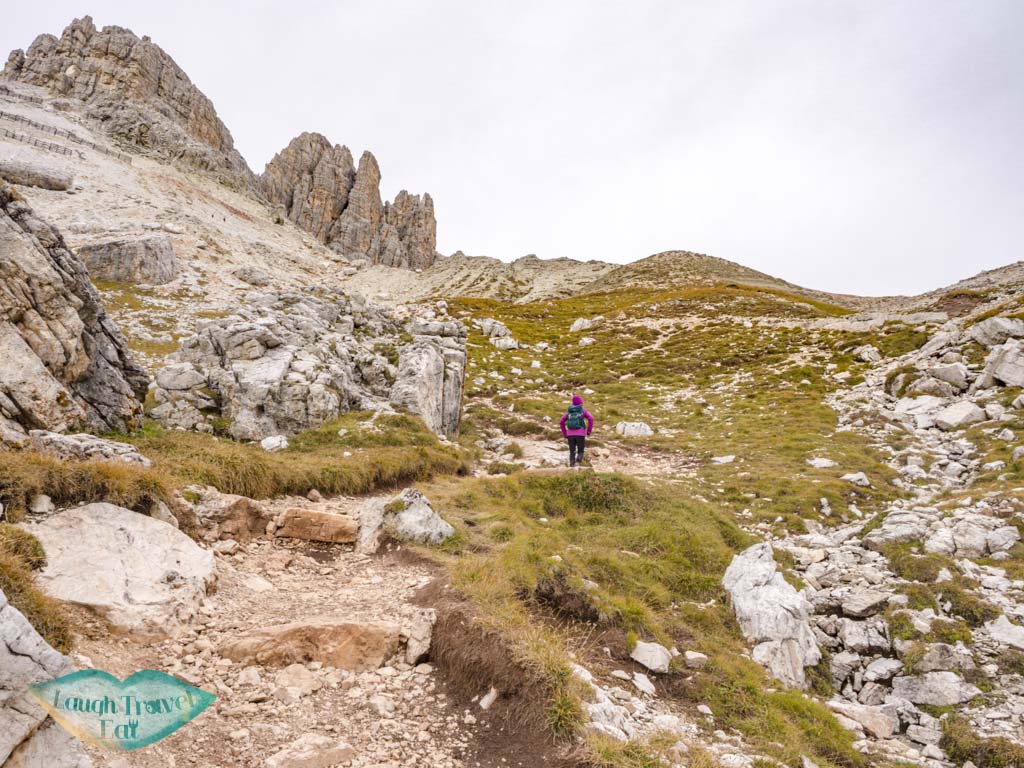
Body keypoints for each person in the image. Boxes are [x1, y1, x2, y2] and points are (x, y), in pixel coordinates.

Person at [559, 395, 594, 468]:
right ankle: (578, 463)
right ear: (581, 402)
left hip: (570, 435)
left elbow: (561, 421)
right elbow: (591, 418)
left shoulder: (569, 412)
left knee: (572, 451)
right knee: (580, 451)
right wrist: (588, 431)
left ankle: (572, 466)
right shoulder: (583, 411)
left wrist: (565, 433)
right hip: (580, 434)